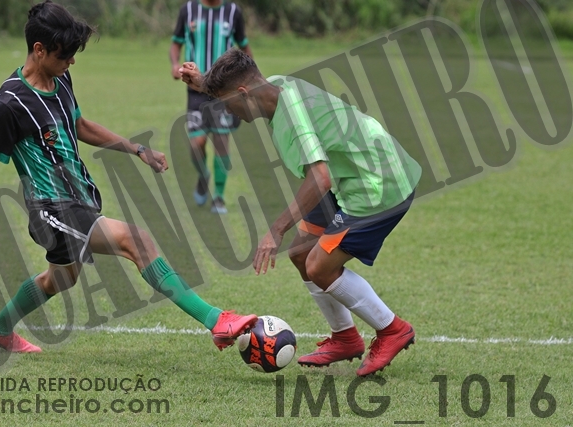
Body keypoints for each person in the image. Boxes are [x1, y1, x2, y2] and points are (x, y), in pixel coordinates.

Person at [0, 1, 257, 354]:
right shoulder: (8, 105)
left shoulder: (60, 79)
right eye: (64, 55)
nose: (71, 61)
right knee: (136, 240)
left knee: (60, 278)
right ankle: (217, 320)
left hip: (78, 197)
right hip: (51, 209)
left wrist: (137, 149)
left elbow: (80, 125)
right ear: (39, 50)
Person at [179, 49, 422, 376]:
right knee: (302, 252)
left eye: (226, 103)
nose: (227, 112)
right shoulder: (275, 86)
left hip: (378, 184)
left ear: (243, 93)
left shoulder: (293, 119)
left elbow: (319, 179)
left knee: (319, 266)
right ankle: (345, 338)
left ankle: (392, 329)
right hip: (349, 175)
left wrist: (276, 229)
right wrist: (203, 83)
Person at [169, 0, 253, 214]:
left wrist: (250, 77)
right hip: (195, 89)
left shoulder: (233, 12)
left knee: (221, 141)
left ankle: (219, 197)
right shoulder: (188, 10)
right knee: (197, 143)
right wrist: (175, 64)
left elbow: (244, 46)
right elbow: (176, 42)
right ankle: (203, 175)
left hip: (224, 89)